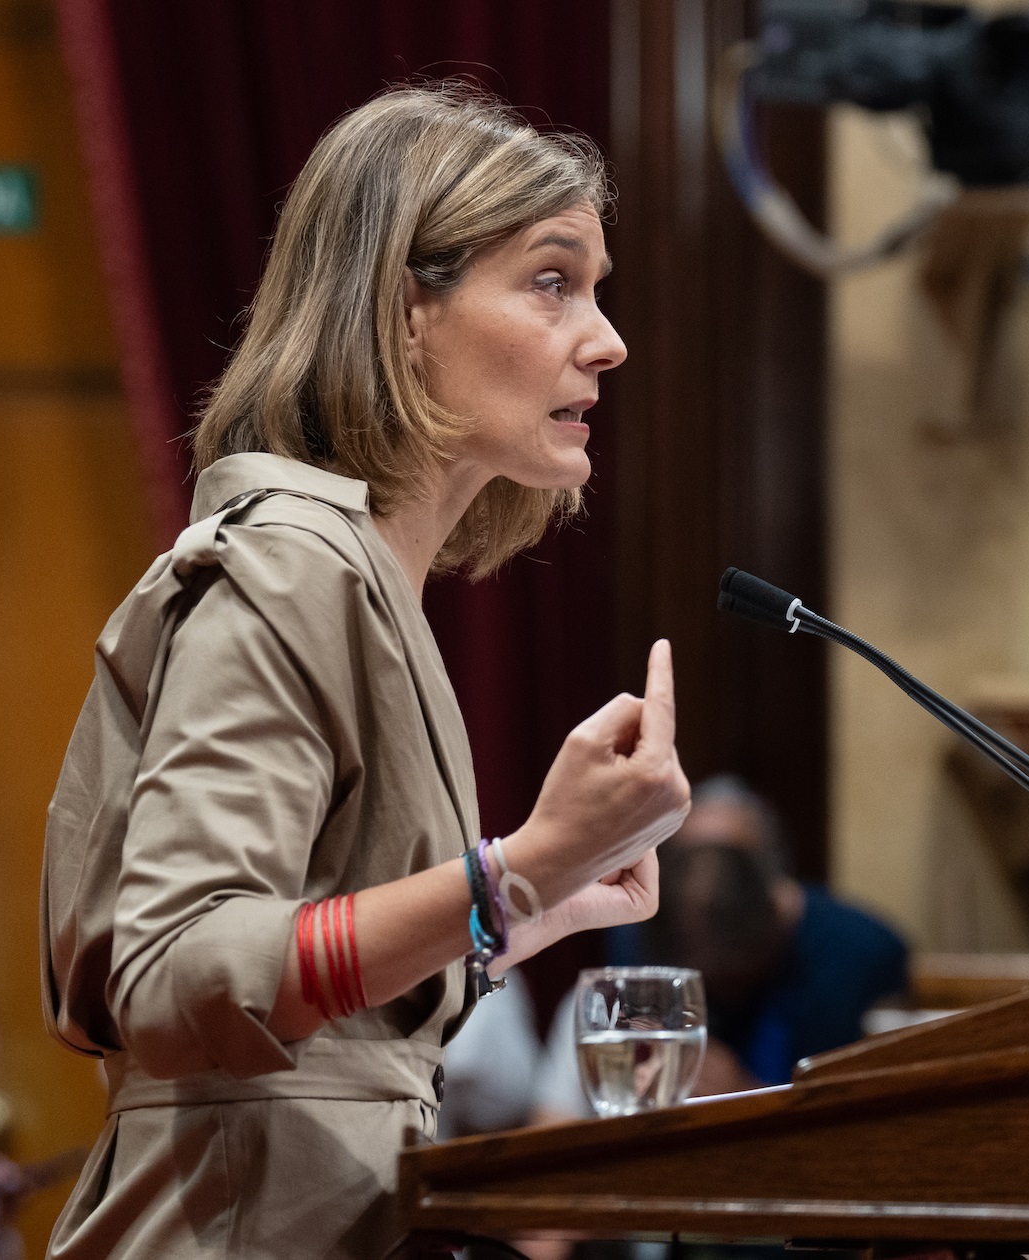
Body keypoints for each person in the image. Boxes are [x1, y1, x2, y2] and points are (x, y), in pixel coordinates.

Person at [39, 84, 691, 1259]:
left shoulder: (357, 576)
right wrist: (512, 876)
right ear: (405, 312)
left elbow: (324, 1012)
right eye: (552, 280)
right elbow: (182, 973)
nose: (607, 339)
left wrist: (543, 902)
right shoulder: (291, 566)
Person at [530, 776, 907, 1121]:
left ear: (778, 904)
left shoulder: (861, 956)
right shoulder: (635, 943)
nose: (714, 991)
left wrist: (749, 1098)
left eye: (731, 976)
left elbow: (880, 1122)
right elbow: (560, 1109)